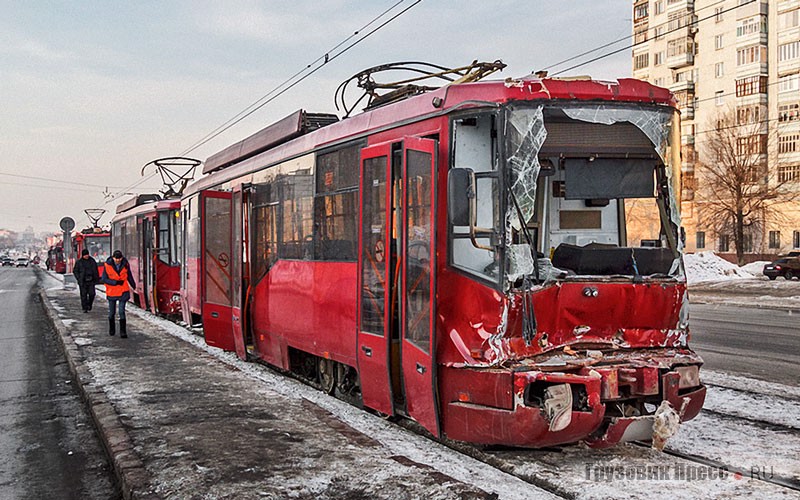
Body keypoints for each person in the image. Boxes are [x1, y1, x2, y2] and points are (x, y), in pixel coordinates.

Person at [102, 250, 136, 338]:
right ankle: (112, 329)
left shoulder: (125, 264)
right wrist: (115, 282)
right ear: (113, 258)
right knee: (111, 312)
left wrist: (133, 285)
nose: (118, 260)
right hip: (112, 291)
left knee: (121, 311)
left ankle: (123, 332)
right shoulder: (107, 265)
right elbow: (104, 279)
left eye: (119, 258)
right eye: (116, 259)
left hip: (123, 290)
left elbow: (129, 275)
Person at [73, 249, 100, 313]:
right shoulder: (79, 262)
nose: (86, 256)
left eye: (87, 254)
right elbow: (75, 271)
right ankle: (84, 308)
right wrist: (79, 278)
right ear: (83, 255)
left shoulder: (92, 261)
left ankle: (89, 305)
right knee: (83, 295)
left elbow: (95, 270)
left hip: (91, 280)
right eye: (85, 255)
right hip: (83, 281)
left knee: (92, 294)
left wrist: (96, 279)